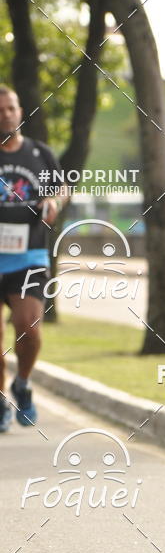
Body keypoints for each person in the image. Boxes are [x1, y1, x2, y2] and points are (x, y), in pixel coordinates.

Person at [0, 86, 64, 432]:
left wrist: (54, 203)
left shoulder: (39, 153)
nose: (7, 115)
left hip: (29, 255)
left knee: (29, 327)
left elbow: (59, 188)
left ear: (20, 109)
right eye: (0, 110)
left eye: (11, 108)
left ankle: (22, 384)